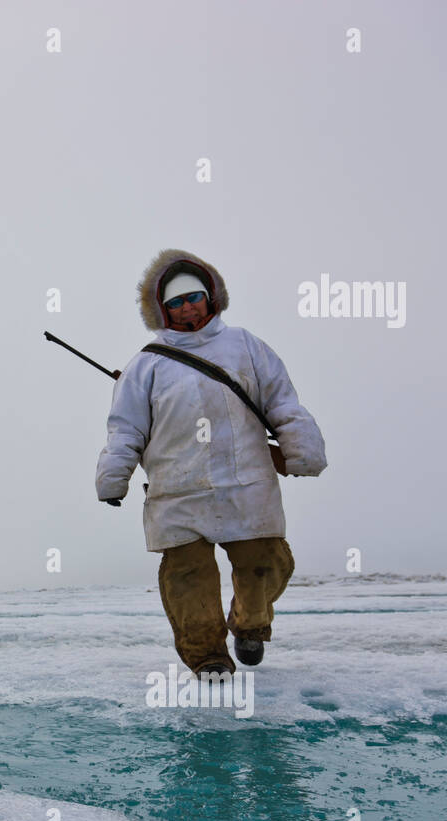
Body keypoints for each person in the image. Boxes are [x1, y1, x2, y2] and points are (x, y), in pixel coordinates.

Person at [95, 248, 327, 675]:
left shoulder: (246, 347)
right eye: (176, 302)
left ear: (212, 296)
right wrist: (114, 478)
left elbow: (282, 402)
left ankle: (249, 625)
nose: (187, 307)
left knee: (267, 564)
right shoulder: (144, 365)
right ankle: (209, 658)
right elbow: (125, 429)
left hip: (249, 486)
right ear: (162, 310)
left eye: (194, 297)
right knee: (189, 580)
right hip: (178, 492)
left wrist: (302, 449)